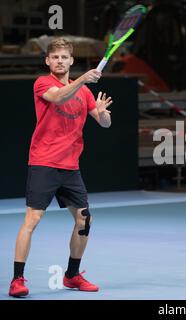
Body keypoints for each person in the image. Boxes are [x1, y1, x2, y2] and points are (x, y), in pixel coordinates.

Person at [9, 38, 113, 297]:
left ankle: (72, 275)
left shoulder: (85, 93)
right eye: (55, 57)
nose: (59, 61)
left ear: (71, 61)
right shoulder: (42, 83)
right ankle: (17, 280)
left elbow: (105, 125)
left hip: (70, 167)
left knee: (84, 220)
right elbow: (57, 97)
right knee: (32, 219)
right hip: (44, 162)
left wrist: (102, 113)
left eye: (64, 57)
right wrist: (81, 81)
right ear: (48, 61)